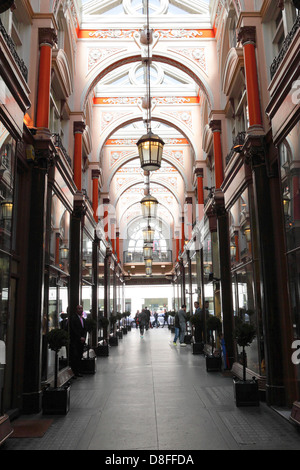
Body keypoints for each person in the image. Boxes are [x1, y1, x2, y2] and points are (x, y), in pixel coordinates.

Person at [69, 305, 87, 377]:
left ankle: (79, 370)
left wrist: (84, 337)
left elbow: (85, 329)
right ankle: (74, 372)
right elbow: (74, 329)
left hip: (81, 341)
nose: (80, 310)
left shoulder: (83, 319)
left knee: (79, 355)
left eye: (81, 308)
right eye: (79, 309)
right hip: (75, 341)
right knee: (75, 356)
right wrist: (80, 337)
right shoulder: (73, 318)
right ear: (76, 310)